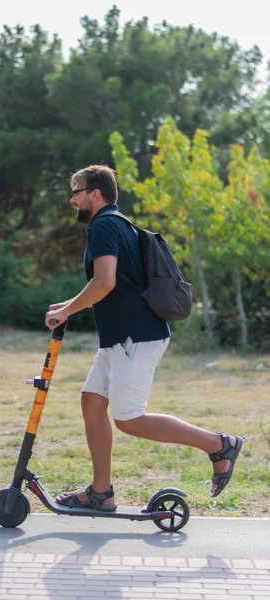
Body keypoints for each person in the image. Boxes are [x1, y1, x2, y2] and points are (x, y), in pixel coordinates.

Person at [45, 164, 242, 512]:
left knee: (129, 419)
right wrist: (68, 305)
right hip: (121, 337)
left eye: (76, 192)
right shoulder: (119, 224)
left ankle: (218, 444)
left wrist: (68, 311)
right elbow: (113, 284)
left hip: (133, 336)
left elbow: (104, 282)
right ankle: (101, 493)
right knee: (92, 402)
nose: (72, 200)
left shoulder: (104, 226)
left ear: (94, 194)